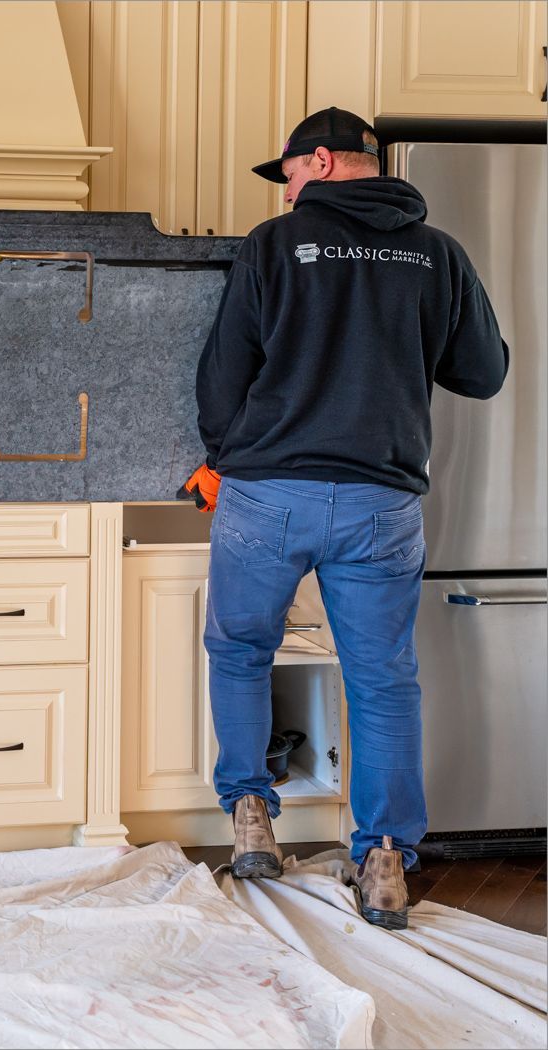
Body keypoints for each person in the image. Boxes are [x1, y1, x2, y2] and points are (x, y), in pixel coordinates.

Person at [186, 107, 507, 930]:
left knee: (240, 651)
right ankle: (385, 862)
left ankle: (252, 817)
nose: (286, 186)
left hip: (269, 492)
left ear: (322, 162)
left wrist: (232, 458)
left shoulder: (274, 244)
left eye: (289, 171)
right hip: (380, 500)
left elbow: (224, 373)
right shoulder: (437, 253)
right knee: (383, 680)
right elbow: (484, 372)